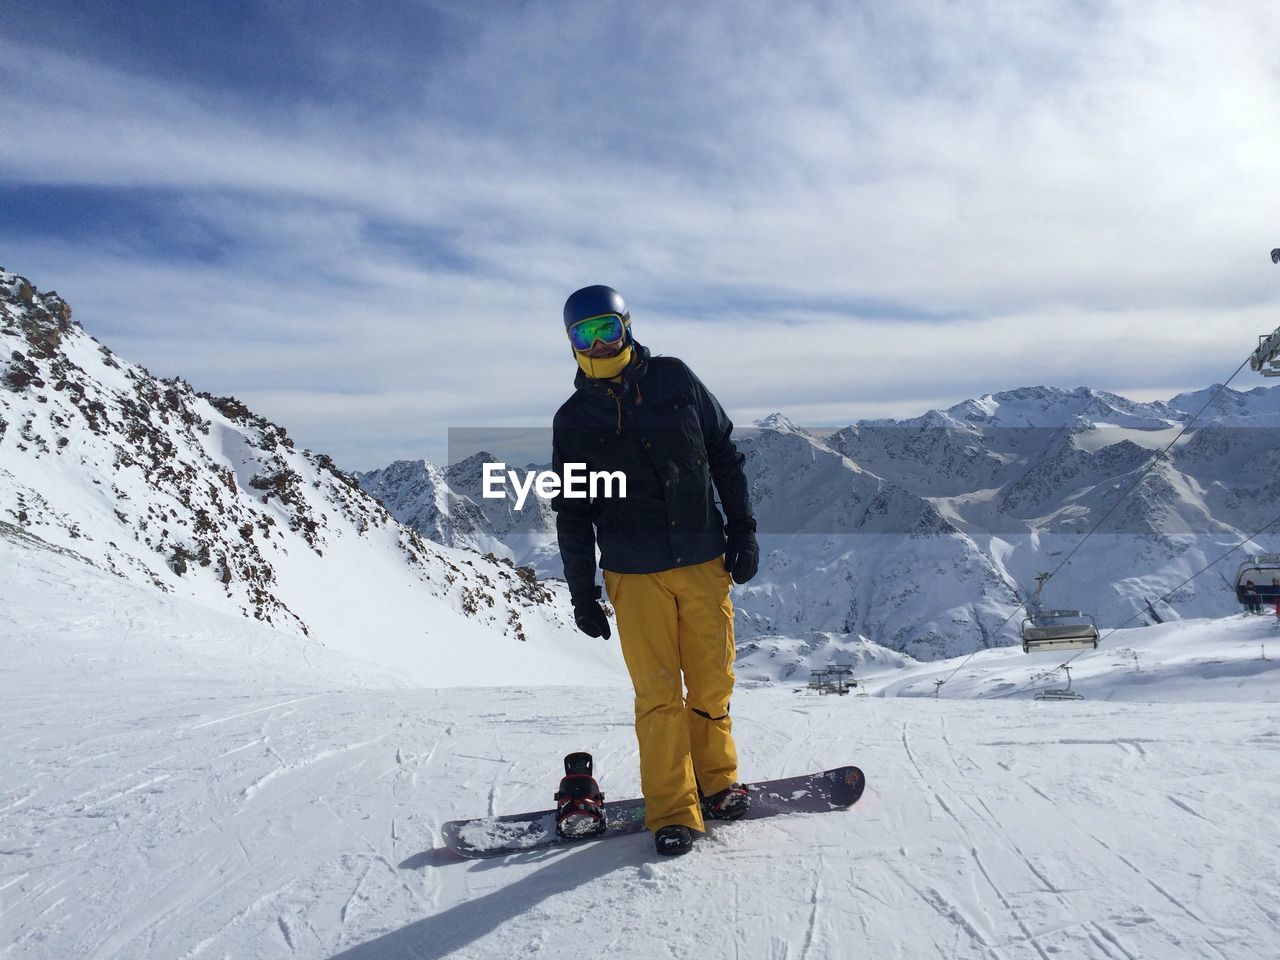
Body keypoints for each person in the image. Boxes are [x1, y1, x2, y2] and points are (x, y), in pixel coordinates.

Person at [551, 285, 759, 857]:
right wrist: (582, 594)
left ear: (627, 326)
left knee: (713, 682)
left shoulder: (675, 379)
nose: (597, 344)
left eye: (606, 330)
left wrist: (742, 530)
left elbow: (724, 453)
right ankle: (672, 810)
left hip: (701, 561)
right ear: (569, 343)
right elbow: (571, 510)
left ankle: (717, 783)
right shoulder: (572, 420)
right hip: (632, 574)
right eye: (583, 334)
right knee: (658, 695)